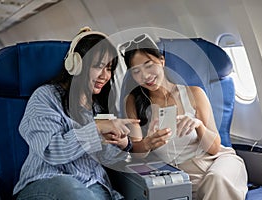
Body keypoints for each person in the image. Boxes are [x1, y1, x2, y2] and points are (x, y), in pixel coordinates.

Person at [13, 27, 139, 200]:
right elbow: (52, 151)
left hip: (92, 186)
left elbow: (107, 159)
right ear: (76, 64)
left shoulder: (98, 108)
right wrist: (96, 128)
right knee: (71, 189)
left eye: (109, 68)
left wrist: (124, 144)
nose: (105, 75)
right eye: (98, 66)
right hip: (45, 183)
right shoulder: (45, 97)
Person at [120, 33, 248, 200]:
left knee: (216, 180)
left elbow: (215, 148)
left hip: (218, 162)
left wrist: (198, 125)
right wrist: (148, 143)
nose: (145, 76)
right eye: (136, 71)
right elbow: (136, 150)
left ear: (162, 60)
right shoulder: (133, 101)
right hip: (183, 173)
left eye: (149, 65)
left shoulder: (194, 93)